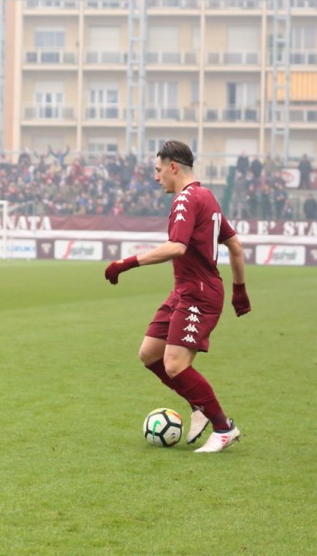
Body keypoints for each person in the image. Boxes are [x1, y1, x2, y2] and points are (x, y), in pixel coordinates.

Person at [103, 140, 250, 453]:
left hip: (198, 294)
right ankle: (199, 407)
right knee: (149, 354)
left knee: (173, 364)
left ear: (173, 167)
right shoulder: (206, 196)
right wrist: (239, 290)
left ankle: (224, 428)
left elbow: (176, 247)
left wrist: (124, 264)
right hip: (185, 291)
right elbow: (235, 246)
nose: (156, 178)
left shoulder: (186, 199)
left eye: (158, 170)